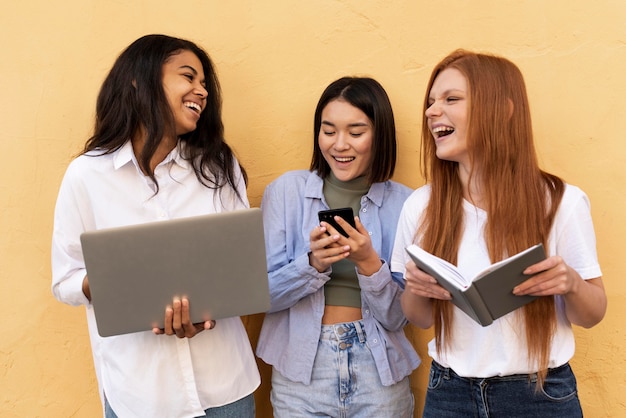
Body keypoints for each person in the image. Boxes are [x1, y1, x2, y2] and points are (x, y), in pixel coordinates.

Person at [51, 34, 260, 418]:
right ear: (139, 80)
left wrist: (211, 302)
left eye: (204, 84)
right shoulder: (86, 175)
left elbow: (241, 268)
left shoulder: (218, 165)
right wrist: (120, 281)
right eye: (188, 76)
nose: (202, 91)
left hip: (225, 387)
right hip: (140, 394)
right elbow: (64, 279)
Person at [392, 49, 607, 417]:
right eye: (430, 102)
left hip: (540, 395)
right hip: (450, 394)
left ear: (503, 110)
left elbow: (592, 313)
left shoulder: (561, 202)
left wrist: (570, 283)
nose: (430, 112)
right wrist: (416, 290)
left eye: (451, 99)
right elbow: (421, 318)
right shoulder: (421, 206)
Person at [256, 77, 420, 417]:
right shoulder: (285, 192)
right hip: (301, 371)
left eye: (356, 132)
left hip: (379, 371)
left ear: (380, 135)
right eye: (328, 131)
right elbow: (263, 298)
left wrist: (369, 263)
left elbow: (400, 317)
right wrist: (311, 265)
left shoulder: (406, 204)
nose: (340, 145)